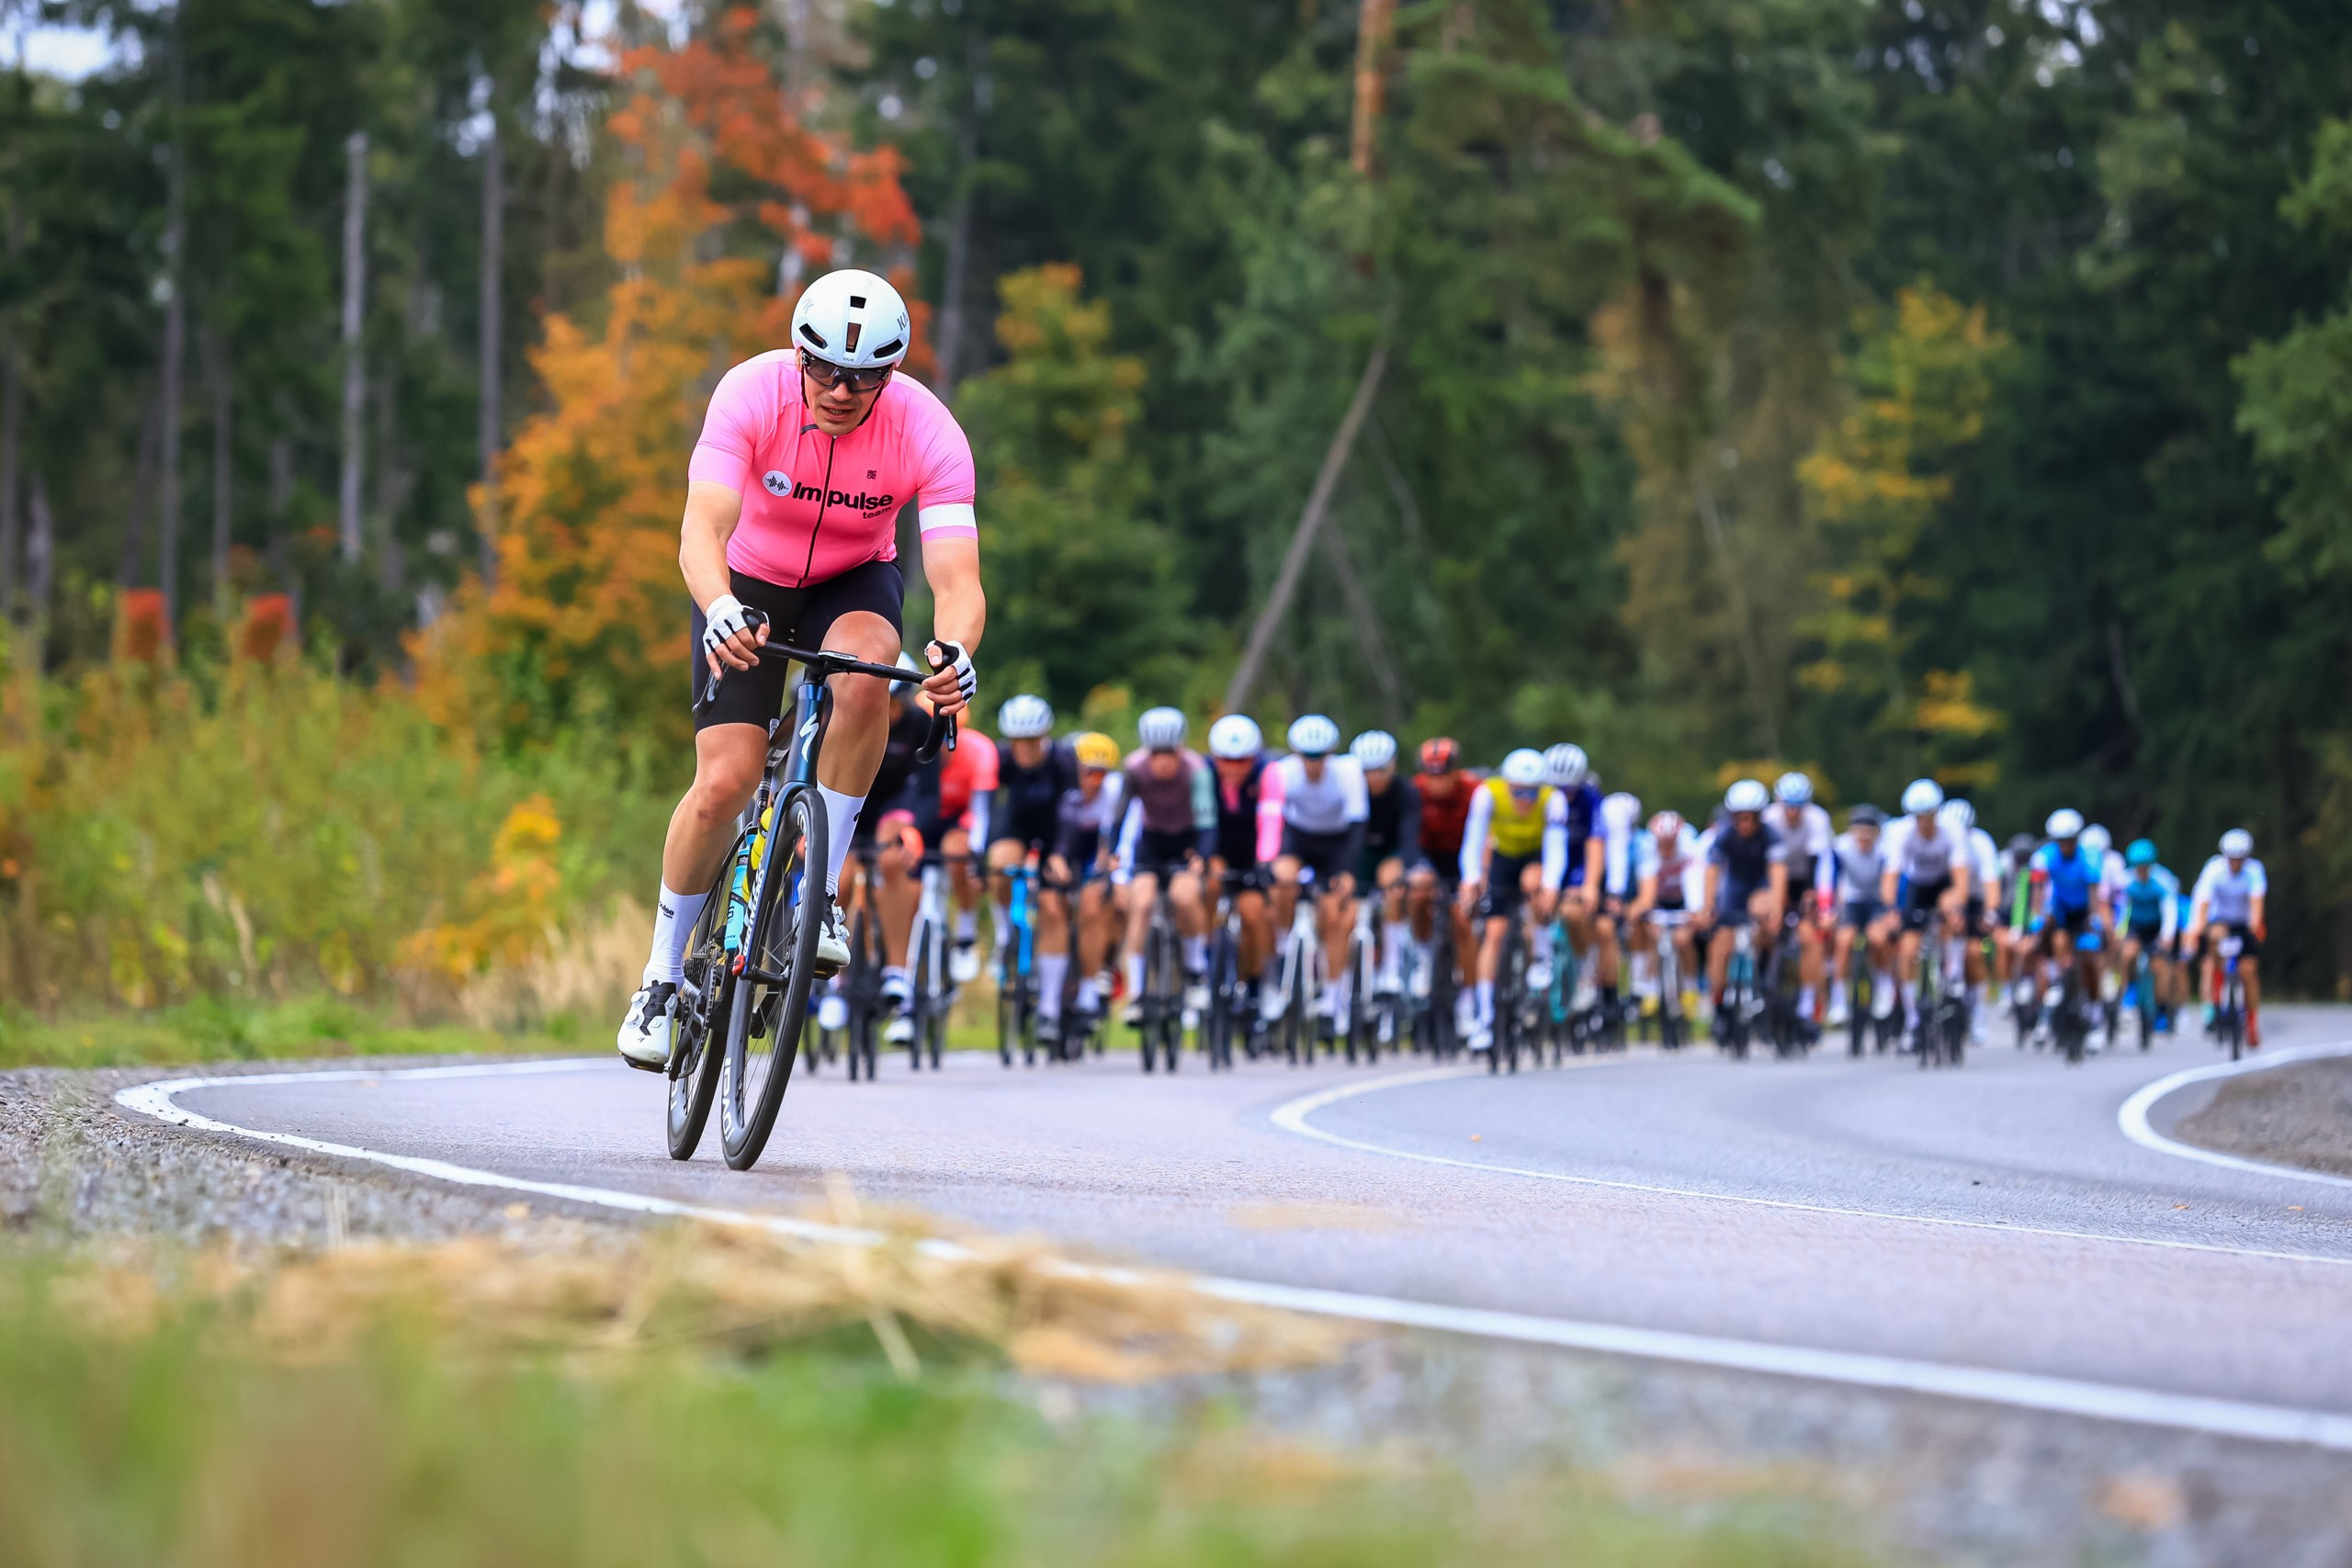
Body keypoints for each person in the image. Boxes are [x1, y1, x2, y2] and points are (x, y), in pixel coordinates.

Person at [617, 267, 983, 1067]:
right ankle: (660, 977)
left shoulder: (929, 430)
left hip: (853, 581)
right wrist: (717, 605)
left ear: (892, 375)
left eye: (865, 377)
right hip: (743, 581)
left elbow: (957, 579)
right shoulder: (749, 393)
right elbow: (700, 528)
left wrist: (956, 653)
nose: (842, 391)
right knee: (726, 781)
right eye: (823, 367)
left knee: (867, 672)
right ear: (798, 354)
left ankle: (816, 889)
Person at [1265, 715, 1370, 1027]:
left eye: (1319, 757)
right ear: (1297, 755)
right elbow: (1272, 822)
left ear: (1330, 755)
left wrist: (1348, 871)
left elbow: (1357, 825)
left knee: (1334, 914)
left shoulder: (1349, 772)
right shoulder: (1282, 772)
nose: (1313, 765)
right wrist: (1269, 861)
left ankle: (1332, 995)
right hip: (1298, 838)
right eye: (1307, 757)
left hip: (1338, 843)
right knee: (1281, 879)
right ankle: (1285, 943)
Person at [1113, 706, 1216, 1022]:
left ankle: (1196, 969)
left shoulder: (1196, 769)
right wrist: (1114, 853)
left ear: (1179, 750)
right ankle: (1137, 993)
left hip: (1188, 842)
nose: (1162, 761)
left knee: (1184, 897)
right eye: (1156, 753)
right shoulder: (1134, 768)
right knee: (1141, 903)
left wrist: (1202, 856)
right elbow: (1119, 814)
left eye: (1169, 753)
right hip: (1152, 842)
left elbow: (1208, 820)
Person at [1458, 749, 1566, 1049]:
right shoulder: (1487, 794)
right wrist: (1470, 879)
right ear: (1507, 785)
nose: (1524, 800)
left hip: (1534, 856)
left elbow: (1556, 847)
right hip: (1503, 858)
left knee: (1536, 884)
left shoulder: (1553, 799)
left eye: (1531, 793)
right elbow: (1474, 839)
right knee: (1494, 934)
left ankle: (1541, 956)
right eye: (1518, 792)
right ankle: (1486, 1019)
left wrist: (1552, 886)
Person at [1038, 732, 1125, 1042]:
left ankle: (1090, 987)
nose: (1096, 780)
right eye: (1089, 771)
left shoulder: (1113, 792)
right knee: (1051, 907)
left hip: (1093, 852)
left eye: (1102, 773)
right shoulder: (1061, 786)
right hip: (1062, 845)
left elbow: (1109, 837)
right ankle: (1047, 1003)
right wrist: (1054, 860)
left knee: (1093, 904)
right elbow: (1053, 833)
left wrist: (1103, 870)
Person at [985, 694, 1076, 976]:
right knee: (999, 862)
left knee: (1052, 907)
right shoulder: (1000, 758)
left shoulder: (1063, 759)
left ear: (1044, 736)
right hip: (1016, 828)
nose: (1023, 748)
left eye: (1031, 740)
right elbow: (988, 807)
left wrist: (1061, 854)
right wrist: (982, 853)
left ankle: (1049, 1003)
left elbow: (1071, 813)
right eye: (1017, 741)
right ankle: (1004, 935)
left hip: (1054, 832)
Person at [1874, 778, 1972, 1041]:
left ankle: (1953, 973)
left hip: (1944, 883)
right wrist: (1890, 908)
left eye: (1928, 816)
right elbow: (1891, 876)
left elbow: (1961, 877)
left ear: (1937, 813)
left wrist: (1957, 907)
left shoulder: (1953, 829)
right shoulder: (1900, 832)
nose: (1924, 823)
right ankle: (1913, 1019)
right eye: (1918, 817)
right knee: (1907, 951)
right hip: (1917, 886)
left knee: (1950, 908)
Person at [1204, 714, 1281, 1014]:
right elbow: (1204, 823)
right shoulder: (1205, 775)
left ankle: (1256, 983)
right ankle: (1207, 959)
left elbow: (1271, 821)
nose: (1233, 768)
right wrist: (1207, 858)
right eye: (1226, 761)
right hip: (1219, 850)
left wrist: (1265, 862)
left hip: (1254, 852)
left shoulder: (1268, 773)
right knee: (1207, 887)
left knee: (1252, 914)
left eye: (1242, 761)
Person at [1700, 779, 1787, 1017]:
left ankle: (1764, 976)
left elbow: (1778, 874)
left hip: (1760, 887)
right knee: (1720, 945)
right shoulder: (1725, 835)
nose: (1744, 823)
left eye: (1749, 817)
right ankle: (1718, 1004)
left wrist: (1777, 909)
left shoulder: (1771, 836)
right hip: (1734, 891)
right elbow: (1712, 872)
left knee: (1762, 909)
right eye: (1739, 817)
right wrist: (1708, 906)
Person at [1351, 730, 1422, 995]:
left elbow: (1409, 836)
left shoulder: (1406, 792)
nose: (1374, 778)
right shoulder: (1350, 790)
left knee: (1391, 882)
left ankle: (1392, 965)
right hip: (1358, 852)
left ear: (1392, 765)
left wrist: (1410, 869)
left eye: (1380, 770)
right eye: (1367, 771)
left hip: (1391, 852)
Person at [2027, 807, 2106, 1044]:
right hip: (2061, 909)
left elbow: (2094, 894)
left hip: (2083, 911)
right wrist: (2036, 917)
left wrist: (2094, 920)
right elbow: (2038, 891)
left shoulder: (2090, 856)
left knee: (2090, 958)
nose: (2066, 846)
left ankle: (2095, 1016)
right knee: (2058, 940)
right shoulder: (2045, 856)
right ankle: (2061, 980)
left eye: (2070, 841)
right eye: (2061, 841)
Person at [2187, 828, 2267, 1048]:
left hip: (2243, 923)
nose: (2235, 864)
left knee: (2249, 971)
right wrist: (2198, 928)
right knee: (2212, 953)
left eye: (2239, 859)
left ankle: (2251, 1021)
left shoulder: (2254, 871)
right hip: (2219, 921)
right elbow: (2202, 902)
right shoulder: (2213, 869)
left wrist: (2255, 925)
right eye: (2232, 859)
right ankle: (2214, 1005)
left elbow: (2256, 903)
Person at [1767, 772, 1835, 1024]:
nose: (1793, 812)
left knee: (1810, 936)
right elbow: (1768, 865)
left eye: (1799, 806)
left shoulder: (1818, 819)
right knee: (1766, 926)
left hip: (1807, 877)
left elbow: (1823, 865)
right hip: (1776, 875)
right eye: (1788, 806)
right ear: (1779, 802)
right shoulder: (1769, 819)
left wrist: (1822, 903)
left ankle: (1807, 1005)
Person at [1543, 743, 1604, 1006]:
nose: (1563, 795)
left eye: (1569, 789)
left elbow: (1595, 843)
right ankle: (1538, 961)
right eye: (1557, 789)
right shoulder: (1540, 797)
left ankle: (1584, 970)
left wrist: (1590, 885)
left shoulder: (1591, 799)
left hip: (1578, 863)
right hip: (1545, 860)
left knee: (1574, 912)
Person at [1939, 797, 2000, 1041]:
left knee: (1974, 954)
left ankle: (1978, 1015)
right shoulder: (1940, 842)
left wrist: (1990, 912)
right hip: (1946, 895)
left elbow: (1991, 883)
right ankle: (1946, 970)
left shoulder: (1982, 843)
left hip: (1975, 899)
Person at [1589, 790, 1654, 1007]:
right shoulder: (1598, 839)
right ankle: (1596, 983)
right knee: (1601, 929)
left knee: (1639, 922)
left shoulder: (1643, 843)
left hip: (1630, 898)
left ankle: (1638, 982)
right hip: (1606, 895)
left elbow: (1648, 890)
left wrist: (1634, 908)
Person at [1826, 805, 1887, 1027]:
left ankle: (1882, 986)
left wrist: (1891, 912)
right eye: (1858, 831)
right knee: (1843, 942)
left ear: (1877, 833)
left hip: (1877, 900)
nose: (1863, 837)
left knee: (1878, 939)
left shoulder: (1885, 849)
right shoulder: (1841, 847)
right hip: (1851, 900)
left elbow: (1896, 880)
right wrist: (1830, 909)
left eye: (1868, 832)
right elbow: (1830, 878)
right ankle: (1839, 1000)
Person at [2116, 838, 2182, 1032]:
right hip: (2136, 925)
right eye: (2138, 867)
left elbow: (2169, 909)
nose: (2141, 871)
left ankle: (2161, 1009)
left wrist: (2167, 935)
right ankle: (2129, 992)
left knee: (2160, 967)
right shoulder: (2126, 880)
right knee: (2128, 954)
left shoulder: (2163, 879)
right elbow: (2121, 908)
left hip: (2157, 926)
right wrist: (2120, 932)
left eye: (2145, 867)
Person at [1645, 809, 1704, 1021]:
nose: (1667, 847)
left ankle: (1689, 987)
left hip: (1683, 901)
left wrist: (1695, 910)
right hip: (1659, 901)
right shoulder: (1649, 849)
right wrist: (1647, 909)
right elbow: (1647, 883)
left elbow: (1694, 880)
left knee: (1683, 939)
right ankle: (1651, 987)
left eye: (1671, 842)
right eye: (1664, 842)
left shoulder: (1689, 849)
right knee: (1653, 935)